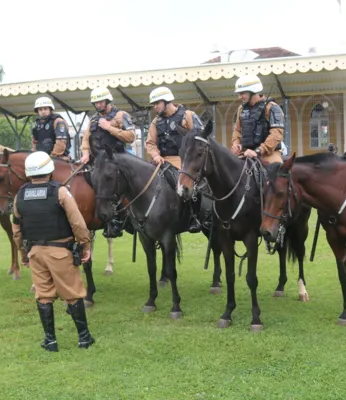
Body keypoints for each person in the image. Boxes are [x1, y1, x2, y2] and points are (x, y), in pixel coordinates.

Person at [12, 151, 95, 352]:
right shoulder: (61, 192)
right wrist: (85, 245)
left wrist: (24, 254)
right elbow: (78, 223)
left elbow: (17, 230)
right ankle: (84, 338)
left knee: (44, 295)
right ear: (50, 171)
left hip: (35, 253)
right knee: (73, 293)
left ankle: (50, 341)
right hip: (60, 251)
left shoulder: (19, 196)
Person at [78, 87, 136, 238]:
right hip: (97, 161)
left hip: (118, 159)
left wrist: (109, 127)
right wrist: (85, 153)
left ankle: (126, 218)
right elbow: (86, 139)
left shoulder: (121, 115)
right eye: (96, 102)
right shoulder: (93, 120)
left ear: (108, 100)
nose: (98, 105)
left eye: (101, 101)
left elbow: (131, 136)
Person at [145, 86, 204, 233]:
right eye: (154, 104)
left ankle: (194, 217)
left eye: (157, 103)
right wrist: (156, 155)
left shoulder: (188, 115)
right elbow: (150, 143)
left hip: (183, 160)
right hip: (162, 160)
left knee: (185, 184)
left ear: (166, 101)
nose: (155, 107)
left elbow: (200, 137)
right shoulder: (155, 122)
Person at [230, 75, 285, 164]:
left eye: (242, 93)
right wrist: (236, 144)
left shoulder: (272, 108)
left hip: (268, 154)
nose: (239, 97)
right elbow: (237, 130)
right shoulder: (241, 109)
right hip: (246, 152)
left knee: (276, 172)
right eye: (239, 94)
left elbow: (276, 134)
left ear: (253, 91)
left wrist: (258, 151)